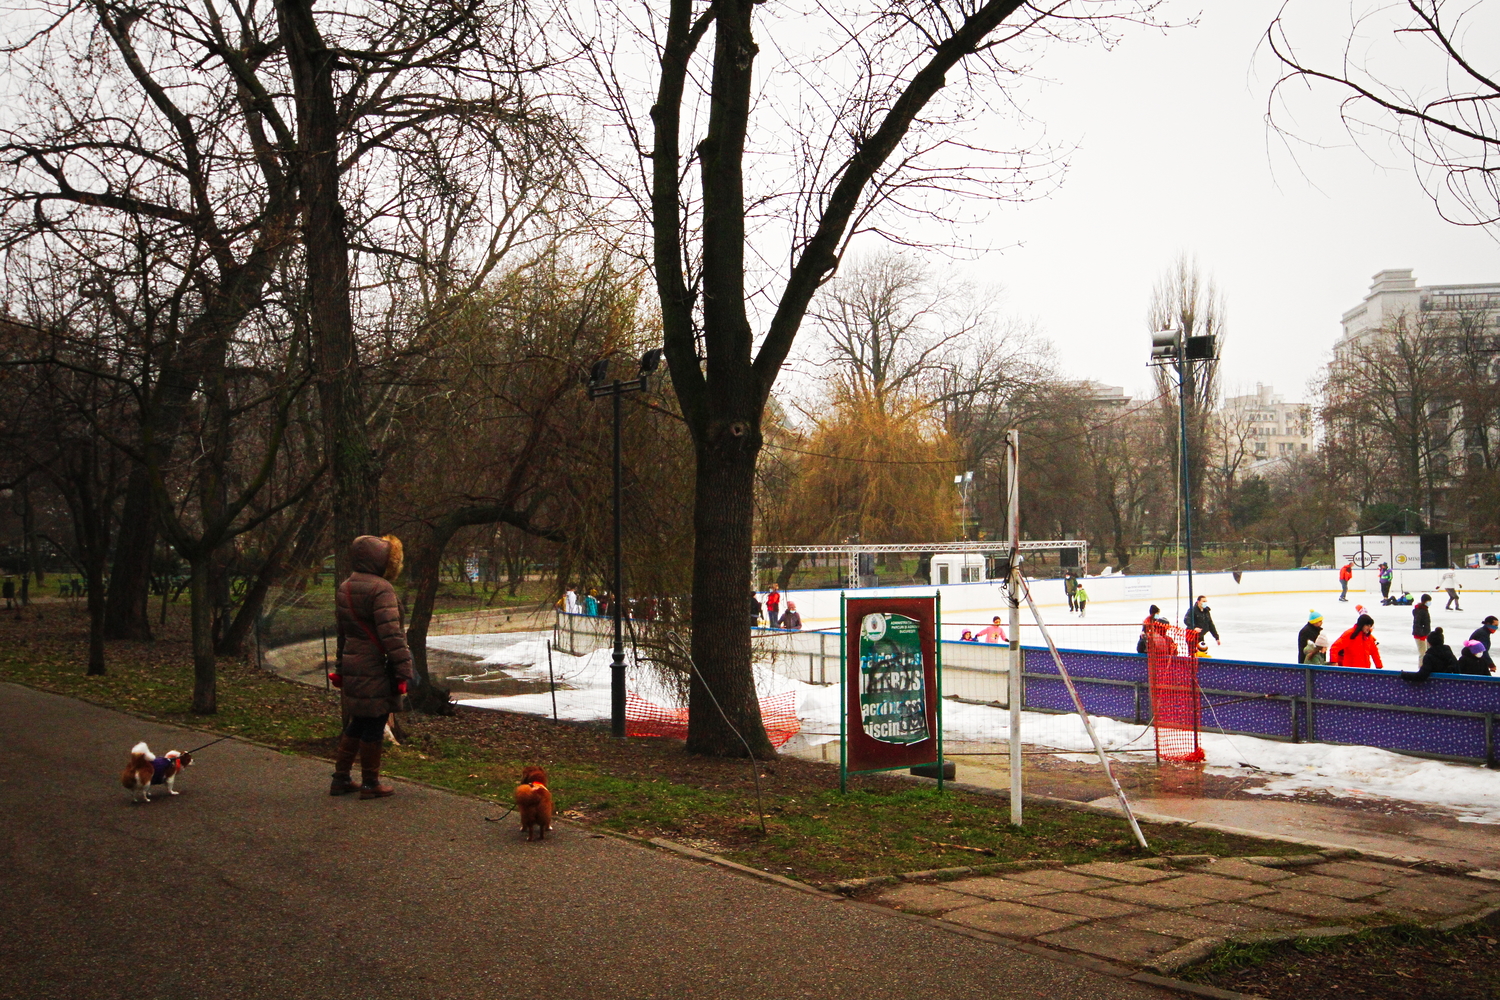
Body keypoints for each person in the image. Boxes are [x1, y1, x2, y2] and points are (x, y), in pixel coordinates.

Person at [328, 535, 415, 799]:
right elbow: (391, 634)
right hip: (376, 666)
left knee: (358, 720)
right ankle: (370, 783)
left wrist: (341, 667)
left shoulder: (345, 586)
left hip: (354, 663)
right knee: (375, 720)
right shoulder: (382, 589)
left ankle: (341, 778)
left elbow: (342, 633)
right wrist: (404, 669)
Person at [1411, 594, 1432, 667]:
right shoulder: (1420, 611)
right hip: (1420, 635)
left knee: (1428, 652)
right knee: (1422, 653)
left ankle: (1428, 666)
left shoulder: (1424, 609)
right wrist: (1421, 634)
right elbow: (1417, 623)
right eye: (1429, 601)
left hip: (1425, 634)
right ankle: (1421, 668)